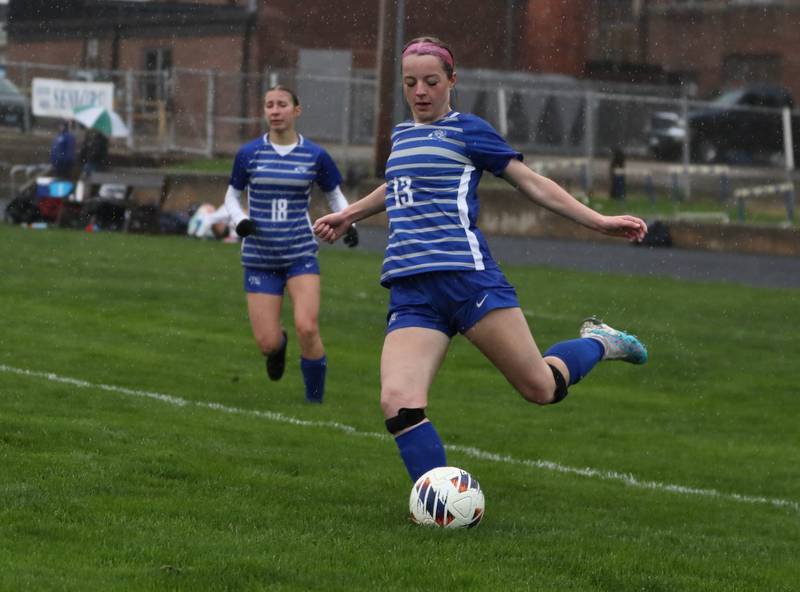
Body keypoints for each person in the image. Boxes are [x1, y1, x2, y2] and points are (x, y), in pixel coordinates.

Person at [313, 37, 649, 483]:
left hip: (469, 281)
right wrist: (348, 214)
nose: (420, 92)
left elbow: (531, 182)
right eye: (411, 82)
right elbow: (398, 187)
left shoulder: (468, 130)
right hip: (411, 289)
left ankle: (600, 342)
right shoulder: (402, 135)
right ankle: (437, 504)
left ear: (451, 81)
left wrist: (598, 221)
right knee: (398, 400)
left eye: (431, 81)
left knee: (541, 388)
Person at [225, 85, 359, 403]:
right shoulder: (249, 154)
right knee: (267, 344)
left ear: (295, 111)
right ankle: (278, 346)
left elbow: (334, 194)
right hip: (260, 256)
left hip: (300, 252)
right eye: (269, 104)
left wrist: (348, 221)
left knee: (307, 327)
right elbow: (231, 195)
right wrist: (240, 221)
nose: (275, 110)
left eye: (282, 104)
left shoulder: (315, 155)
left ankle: (314, 401)